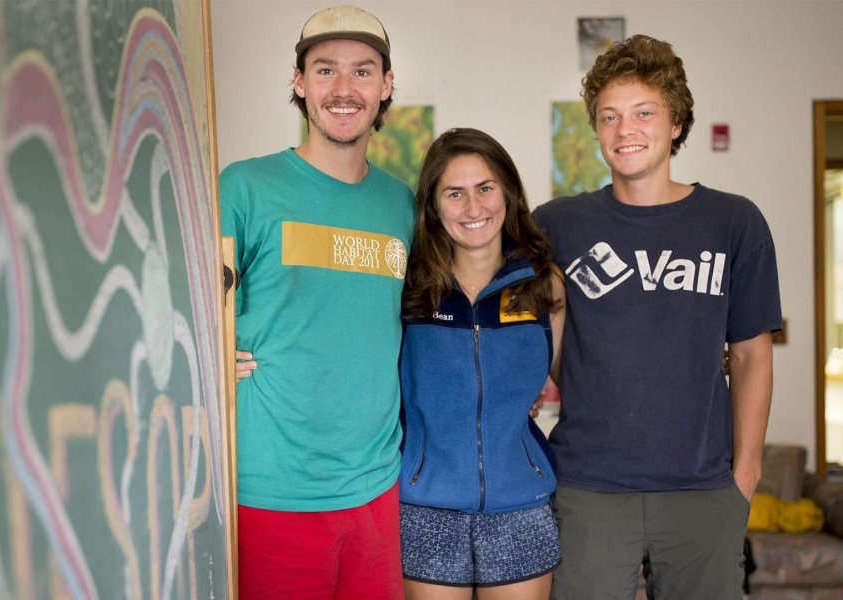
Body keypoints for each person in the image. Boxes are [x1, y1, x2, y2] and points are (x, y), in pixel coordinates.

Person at [532, 35, 782, 599]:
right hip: (588, 487)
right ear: (595, 129)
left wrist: (744, 478)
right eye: (610, 116)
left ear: (676, 123)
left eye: (644, 113)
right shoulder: (557, 224)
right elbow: (537, 339)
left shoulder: (733, 222)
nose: (626, 131)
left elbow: (750, 355)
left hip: (703, 491)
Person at [219, 5, 414, 598]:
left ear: (386, 87)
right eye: (325, 70)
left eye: (362, 71)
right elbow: (181, 311)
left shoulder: (402, 204)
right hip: (271, 489)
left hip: (377, 491)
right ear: (300, 84)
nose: (344, 89)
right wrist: (203, 360)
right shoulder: (243, 186)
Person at [398, 127, 565, 598]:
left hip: (521, 504)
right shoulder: (409, 287)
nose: (473, 208)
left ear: (508, 193)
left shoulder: (543, 284)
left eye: (485, 188)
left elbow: (578, 379)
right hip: (424, 506)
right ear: (433, 206)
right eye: (455, 193)